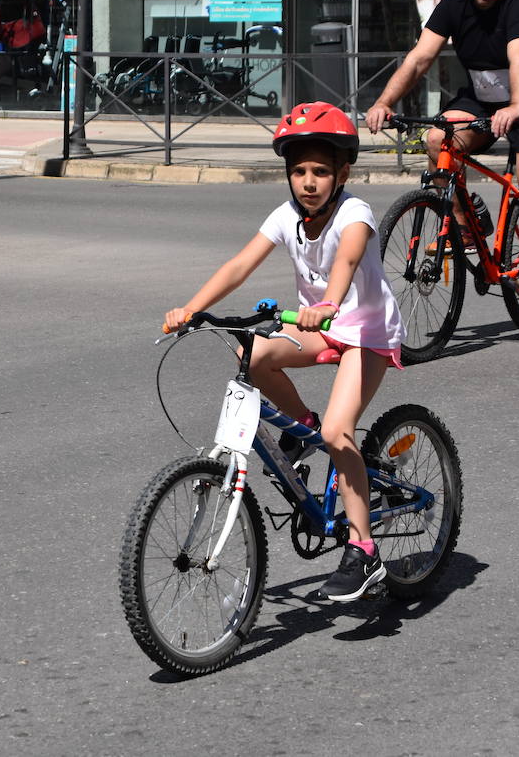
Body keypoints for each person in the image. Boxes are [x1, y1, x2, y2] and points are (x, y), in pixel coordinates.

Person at [163, 102, 406, 603]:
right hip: (319, 326)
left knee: (341, 431)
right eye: (298, 171)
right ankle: (303, 431)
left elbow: (349, 256)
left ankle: (364, 550)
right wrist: (190, 309)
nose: (309, 182)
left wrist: (330, 302)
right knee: (250, 355)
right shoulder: (286, 216)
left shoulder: (354, 213)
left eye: (320, 171)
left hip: (365, 331)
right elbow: (239, 265)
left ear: (343, 173)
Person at [366, 0, 519, 311]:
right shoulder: (454, 5)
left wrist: (518, 104)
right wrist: (383, 101)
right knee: (437, 139)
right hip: (483, 96)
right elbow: (419, 58)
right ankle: (463, 221)